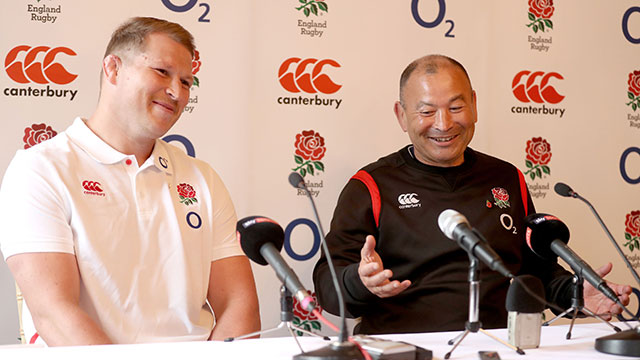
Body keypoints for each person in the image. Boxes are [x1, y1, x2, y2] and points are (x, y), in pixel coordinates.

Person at [313, 54, 631, 334]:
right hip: (403, 348)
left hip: (498, 346)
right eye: (426, 112)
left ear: (474, 105)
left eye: (455, 107)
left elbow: (535, 274)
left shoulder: (507, 178)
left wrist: (576, 293)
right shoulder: (370, 186)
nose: (444, 123)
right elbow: (328, 284)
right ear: (401, 115)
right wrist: (359, 280)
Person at [0, 17, 260, 345]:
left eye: (187, 82)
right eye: (162, 72)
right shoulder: (40, 169)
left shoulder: (202, 178)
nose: (176, 92)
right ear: (113, 68)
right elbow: (55, 313)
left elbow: (240, 305)